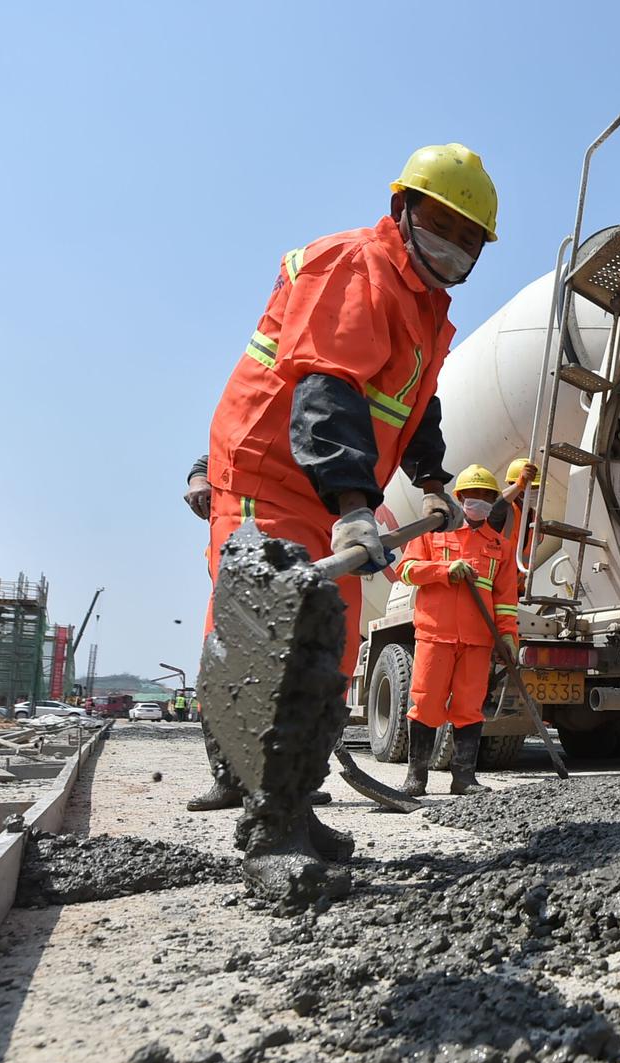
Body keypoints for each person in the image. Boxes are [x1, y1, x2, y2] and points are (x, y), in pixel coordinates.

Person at [190, 143, 499, 812]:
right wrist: (357, 504)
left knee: (334, 632)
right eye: (440, 224)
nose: (450, 245)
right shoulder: (357, 265)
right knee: (261, 619)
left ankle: (292, 776)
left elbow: (413, 407)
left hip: (324, 483)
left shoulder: (425, 308)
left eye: (467, 238)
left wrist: (432, 479)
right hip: (267, 466)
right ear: (402, 209)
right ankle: (240, 775)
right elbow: (327, 391)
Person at [393, 465, 519, 797]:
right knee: (426, 703)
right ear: (460, 498)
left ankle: (464, 778)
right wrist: (444, 570)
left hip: (478, 640)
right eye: (474, 495)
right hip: (436, 635)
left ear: (494, 501)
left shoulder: (499, 547)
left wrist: (508, 636)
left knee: (469, 707)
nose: (480, 501)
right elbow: (405, 571)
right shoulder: (431, 533)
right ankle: (416, 778)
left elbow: (505, 599)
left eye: (488, 496)